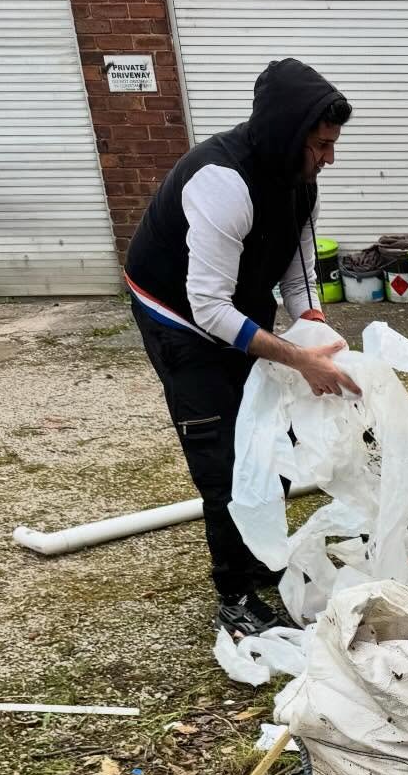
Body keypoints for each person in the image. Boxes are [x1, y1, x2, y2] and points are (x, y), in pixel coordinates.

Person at [125, 58, 361, 636]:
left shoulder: (301, 186)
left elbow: (300, 276)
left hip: (237, 304)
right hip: (176, 313)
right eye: (321, 145)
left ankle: (257, 553)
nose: (329, 157)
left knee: (268, 439)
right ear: (287, 136)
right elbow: (206, 307)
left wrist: (313, 332)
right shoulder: (221, 182)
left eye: (333, 145)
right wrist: (296, 359)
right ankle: (233, 592)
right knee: (224, 457)